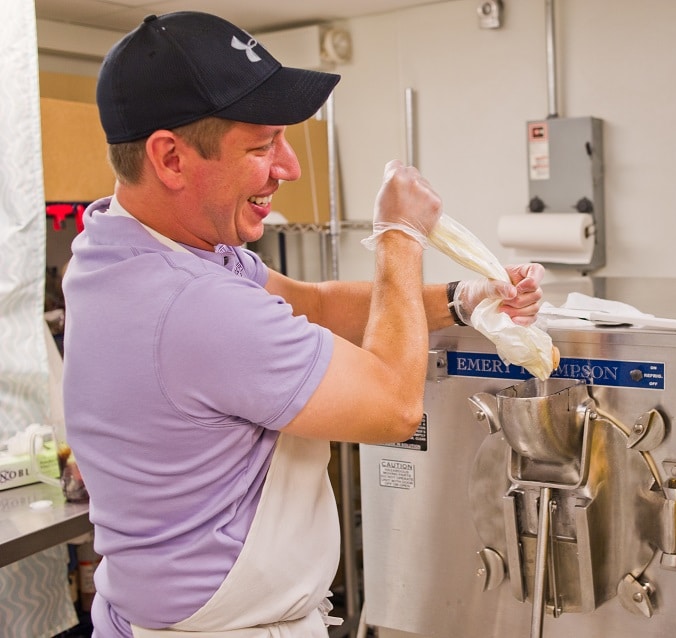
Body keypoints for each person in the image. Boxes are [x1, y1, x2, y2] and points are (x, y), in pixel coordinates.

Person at [61, 11, 545, 638]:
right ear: (170, 158)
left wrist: (461, 297)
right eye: (262, 147)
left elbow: (311, 305)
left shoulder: (125, 246)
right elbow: (393, 407)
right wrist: (399, 238)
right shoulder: (192, 305)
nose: (288, 167)